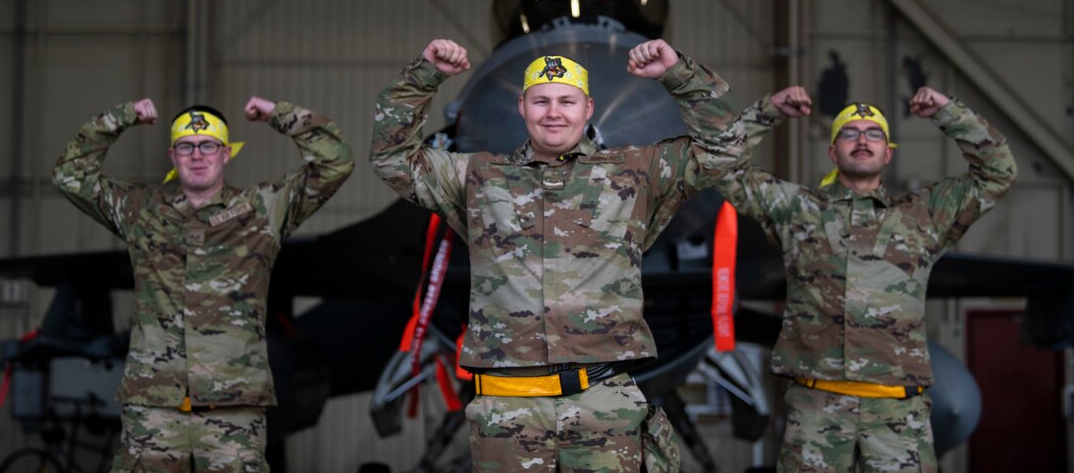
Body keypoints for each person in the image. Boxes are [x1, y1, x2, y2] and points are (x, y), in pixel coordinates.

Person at [369, 38, 746, 472]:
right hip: (509, 410)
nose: (553, 112)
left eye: (566, 101)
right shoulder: (477, 177)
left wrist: (678, 73)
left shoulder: (635, 172)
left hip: (602, 407)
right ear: (522, 107)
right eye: (541, 100)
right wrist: (424, 75)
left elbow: (726, 147)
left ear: (588, 108)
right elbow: (392, 158)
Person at [719, 85, 1017, 473]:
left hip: (897, 414)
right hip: (817, 411)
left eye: (874, 133)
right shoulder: (798, 209)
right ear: (833, 152)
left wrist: (949, 112)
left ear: (888, 153)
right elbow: (722, 169)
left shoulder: (923, 216)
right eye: (849, 132)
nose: (862, 139)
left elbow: (998, 172)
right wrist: (768, 109)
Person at [53, 96, 354, 472]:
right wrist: (121, 118)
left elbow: (335, 162)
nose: (197, 155)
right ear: (173, 155)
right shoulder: (143, 213)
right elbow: (69, 175)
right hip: (155, 410)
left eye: (208, 145)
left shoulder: (261, 210)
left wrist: (279, 115)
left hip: (232, 411)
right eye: (186, 146)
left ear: (226, 153)